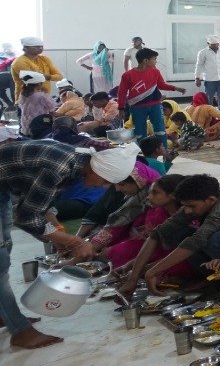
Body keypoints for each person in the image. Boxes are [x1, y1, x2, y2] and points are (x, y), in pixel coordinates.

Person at [0, 142, 136, 348]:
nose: (101, 187)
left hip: (4, 187)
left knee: (4, 249)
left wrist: (58, 234)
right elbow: (26, 218)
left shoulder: (76, 163)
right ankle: (20, 332)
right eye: (103, 181)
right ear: (96, 170)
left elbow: (41, 205)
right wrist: (74, 241)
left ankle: (5, 314)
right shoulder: (58, 168)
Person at [117, 174, 220, 293]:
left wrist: (151, 272)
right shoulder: (197, 204)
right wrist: (133, 277)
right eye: (184, 206)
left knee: (213, 238)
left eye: (191, 206)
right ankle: (210, 278)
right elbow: (157, 233)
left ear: (210, 200)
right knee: (179, 233)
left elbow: (196, 241)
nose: (186, 211)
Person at [116, 46, 186, 140]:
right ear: (145, 60)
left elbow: (161, 85)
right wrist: (121, 108)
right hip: (137, 107)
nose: (156, 61)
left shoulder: (155, 72)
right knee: (140, 132)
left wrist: (176, 88)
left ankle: (162, 148)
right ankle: (143, 148)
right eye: (154, 59)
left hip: (155, 105)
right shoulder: (127, 75)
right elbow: (122, 92)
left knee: (160, 130)